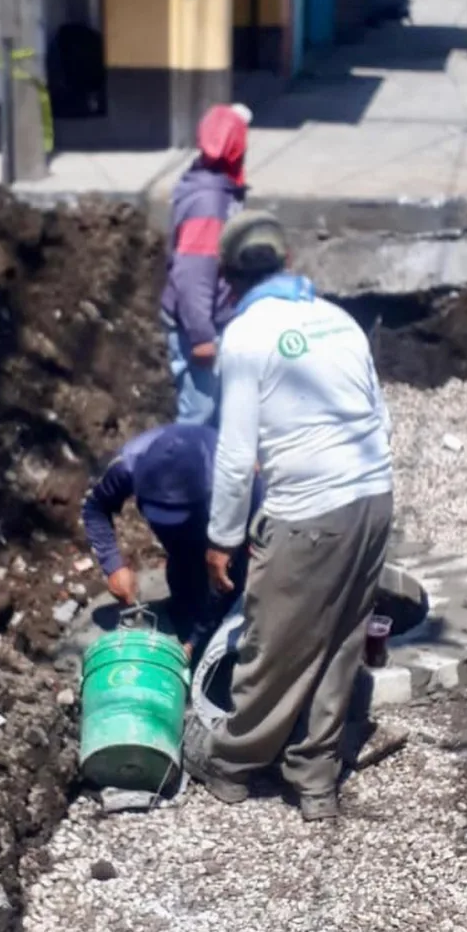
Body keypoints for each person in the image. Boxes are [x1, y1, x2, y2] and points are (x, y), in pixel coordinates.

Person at [183, 211, 394, 822]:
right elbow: (381, 419)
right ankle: (315, 778)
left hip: (309, 512)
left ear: (227, 279)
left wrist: (221, 538)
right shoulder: (339, 321)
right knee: (339, 639)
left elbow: (232, 457)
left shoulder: (247, 338)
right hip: (374, 501)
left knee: (271, 641)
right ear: (289, 261)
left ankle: (232, 764)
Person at [80, 423, 260, 657]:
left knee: (232, 608)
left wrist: (196, 641)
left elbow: (229, 573)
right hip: (195, 527)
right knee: (184, 586)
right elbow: (95, 508)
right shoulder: (128, 465)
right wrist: (112, 565)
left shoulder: (235, 480)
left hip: (227, 524)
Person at [160, 103, 252, 427]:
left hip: (211, 318)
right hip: (200, 326)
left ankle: (211, 474)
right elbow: (193, 274)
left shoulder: (213, 185)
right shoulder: (210, 203)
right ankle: (183, 476)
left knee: (219, 413)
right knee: (199, 415)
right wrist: (202, 336)